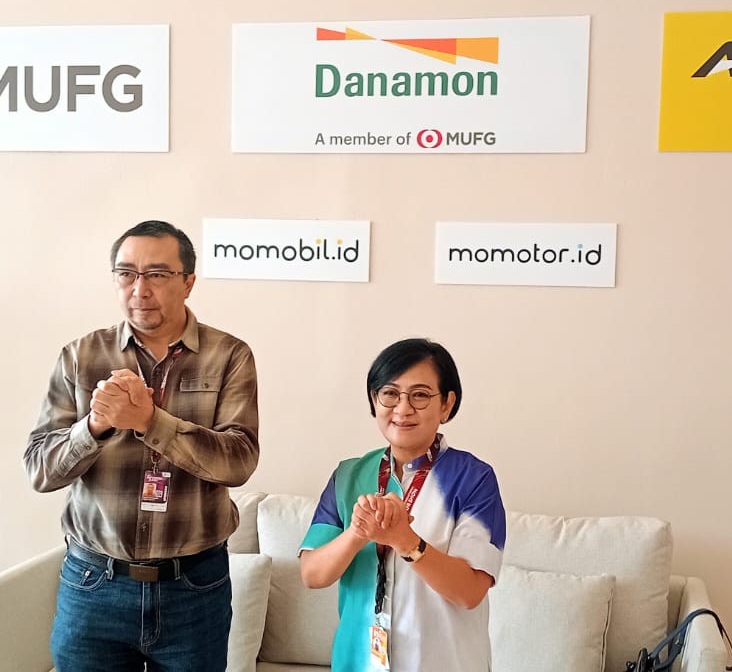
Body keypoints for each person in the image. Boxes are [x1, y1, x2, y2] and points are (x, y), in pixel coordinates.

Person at [25, 219, 260, 671]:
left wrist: (151, 422)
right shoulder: (81, 356)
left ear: (188, 282)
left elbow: (239, 462)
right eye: (126, 273)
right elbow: (40, 470)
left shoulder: (229, 356)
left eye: (156, 274)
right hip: (94, 583)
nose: (139, 289)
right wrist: (94, 426)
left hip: (194, 586)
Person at [299, 338, 506, 672]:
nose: (403, 408)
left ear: (446, 404)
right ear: (374, 400)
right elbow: (312, 574)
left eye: (420, 395)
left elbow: (469, 591)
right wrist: (358, 532)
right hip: (356, 662)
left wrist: (405, 541)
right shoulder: (348, 476)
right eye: (390, 393)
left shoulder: (474, 478)